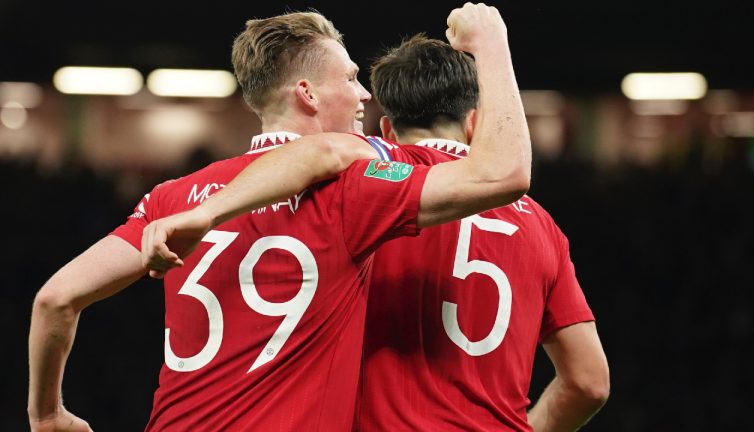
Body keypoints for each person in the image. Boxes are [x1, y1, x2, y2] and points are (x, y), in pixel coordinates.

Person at [29, 5, 530, 432]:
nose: (363, 96)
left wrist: (47, 414)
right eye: (352, 78)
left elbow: (55, 299)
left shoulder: (172, 196)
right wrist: (492, 43)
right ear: (308, 94)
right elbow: (502, 173)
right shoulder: (350, 192)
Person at [355, 35, 610, 431]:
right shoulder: (541, 224)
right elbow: (589, 382)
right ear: (475, 123)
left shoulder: (363, 193)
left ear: (388, 130)